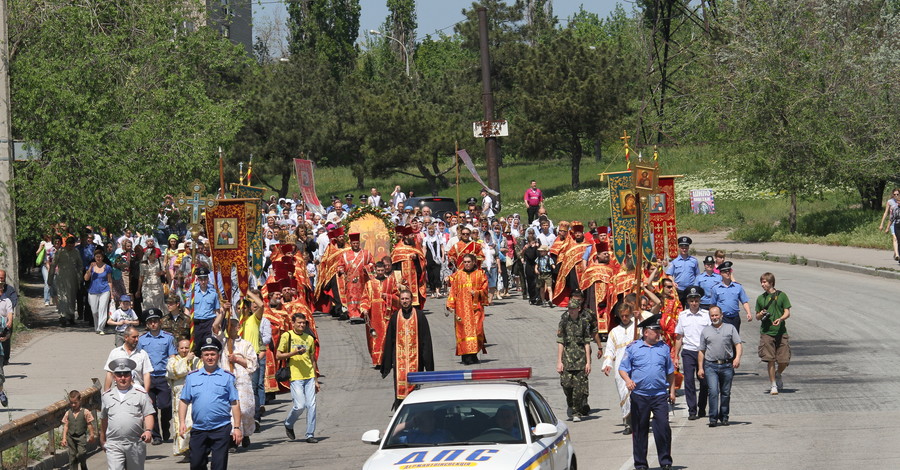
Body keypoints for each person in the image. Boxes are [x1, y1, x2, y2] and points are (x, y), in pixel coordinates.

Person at [619, 314, 676, 470]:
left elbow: (670, 372)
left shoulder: (664, 348)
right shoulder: (633, 348)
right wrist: (628, 381)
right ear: (646, 332)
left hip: (659, 395)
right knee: (639, 430)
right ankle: (641, 464)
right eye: (655, 330)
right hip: (640, 396)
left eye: (659, 330)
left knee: (663, 428)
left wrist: (672, 392)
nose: (658, 333)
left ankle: (665, 462)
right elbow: (623, 369)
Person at [178, 337, 242, 470]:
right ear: (201, 357)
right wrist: (182, 422)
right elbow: (184, 401)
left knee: (219, 465)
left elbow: (234, 403)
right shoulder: (192, 377)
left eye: (213, 354)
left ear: (218, 356)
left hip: (221, 428)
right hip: (199, 428)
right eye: (206, 355)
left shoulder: (227, 377)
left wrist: (236, 427)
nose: (210, 357)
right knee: (196, 464)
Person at [381, 290, 435, 410]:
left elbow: (426, 340)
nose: (405, 301)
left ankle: (416, 410)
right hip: (399, 361)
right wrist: (387, 364)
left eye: (407, 299)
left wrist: (429, 366)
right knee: (399, 386)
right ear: (399, 300)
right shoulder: (395, 317)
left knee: (415, 387)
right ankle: (400, 410)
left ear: (412, 300)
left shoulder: (420, 316)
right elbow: (389, 341)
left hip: (415, 359)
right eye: (403, 299)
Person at [100, 358, 156, 470]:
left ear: (131, 376)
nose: (123, 378)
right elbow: (104, 419)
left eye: (126, 375)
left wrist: (148, 430)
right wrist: (102, 439)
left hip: (134, 442)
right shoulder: (107, 396)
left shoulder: (140, 394)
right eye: (119, 375)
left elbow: (148, 414)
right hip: (114, 443)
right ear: (114, 377)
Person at [276, 314, 319, 443]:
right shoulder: (287, 336)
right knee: (300, 405)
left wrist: (316, 379)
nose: (301, 325)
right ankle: (289, 423)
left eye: (303, 323)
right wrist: (294, 353)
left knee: (312, 405)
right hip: (295, 376)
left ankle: (310, 434)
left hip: (309, 375)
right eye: (299, 323)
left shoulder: (309, 338)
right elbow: (278, 355)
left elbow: (312, 359)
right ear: (293, 323)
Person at [137, 309, 177, 445]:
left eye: (155, 321)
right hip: (148, 377)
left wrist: (174, 372)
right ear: (147, 324)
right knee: (151, 407)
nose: (153, 324)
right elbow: (139, 359)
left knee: (165, 406)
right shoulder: (142, 340)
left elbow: (172, 356)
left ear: (160, 322)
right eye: (150, 322)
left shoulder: (168, 337)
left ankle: (165, 425)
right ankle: (156, 435)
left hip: (163, 377)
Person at [217, 318, 258, 448]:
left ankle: (245, 433)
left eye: (232, 326)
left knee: (245, 410)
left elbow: (252, 364)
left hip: (242, 381)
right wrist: (223, 312)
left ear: (238, 327)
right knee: (230, 412)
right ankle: (232, 440)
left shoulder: (246, 344)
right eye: (228, 327)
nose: (230, 329)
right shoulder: (223, 343)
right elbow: (215, 328)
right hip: (227, 381)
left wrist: (237, 359)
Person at [698, 306, 742, 427]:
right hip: (710, 366)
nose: (714, 317)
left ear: (721, 315)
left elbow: (737, 344)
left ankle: (724, 416)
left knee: (725, 392)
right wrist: (700, 368)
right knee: (713, 391)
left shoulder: (730, 328)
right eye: (712, 315)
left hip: (727, 365)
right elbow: (701, 350)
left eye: (716, 315)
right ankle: (713, 418)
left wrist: (737, 358)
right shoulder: (706, 331)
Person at [673, 286, 711, 421]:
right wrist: (676, 355)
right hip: (688, 351)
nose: (694, 303)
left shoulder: (706, 315)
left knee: (705, 382)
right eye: (691, 300)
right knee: (689, 381)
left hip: (704, 352)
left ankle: (702, 407)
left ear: (700, 301)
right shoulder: (683, 316)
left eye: (696, 300)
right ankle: (692, 410)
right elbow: (679, 337)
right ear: (688, 301)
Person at [446, 254, 489, 365]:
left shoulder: (480, 274)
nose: (467, 264)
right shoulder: (458, 275)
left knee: (477, 330)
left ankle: (474, 354)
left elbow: (485, 289)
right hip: (462, 309)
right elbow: (453, 291)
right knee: (463, 332)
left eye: (469, 261)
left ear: (474, 262)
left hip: (475, 309)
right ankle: (465, 357)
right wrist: (450, 304)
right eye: (465, 262)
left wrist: (477, 292)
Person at [754, 272, 791, 395]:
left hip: (781, 331)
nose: (762, 284)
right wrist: (761, 314)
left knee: (784, 360)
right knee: (770, 359)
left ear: (771, 283)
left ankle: (778, 374)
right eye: (762, 282)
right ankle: (773, 384)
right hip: (766, 332)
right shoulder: (760, 298)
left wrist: (781, 319)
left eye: (764, 282)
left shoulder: (782, 296)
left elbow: (787, 312)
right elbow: (757, 317)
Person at [557, 297, 592, 422]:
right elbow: (561, 342)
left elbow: (587, 343)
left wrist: (588, 362)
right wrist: (559, 361)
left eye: (573, 308)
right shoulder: (564, 322)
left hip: (580, 360)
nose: (570, 311)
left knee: (579, 389)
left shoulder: (584, 323)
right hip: (567, 360)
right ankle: (570, 404)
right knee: (566, 385)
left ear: (578, 308)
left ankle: (576, 412)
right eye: (569, 308)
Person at [360, 262, 399, 368]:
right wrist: (364, 309)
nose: (380, 272)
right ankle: (378, 361)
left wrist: (388, 296)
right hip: (374, 315)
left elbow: (397, 296)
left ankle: (387, 360)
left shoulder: (391, 281)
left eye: (382, 270)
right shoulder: (369, 283)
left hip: (387, 314)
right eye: (378, 270)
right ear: (375, 271)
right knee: (375, 337)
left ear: (385, 270)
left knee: (387, 336)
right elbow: (365, 298)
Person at [166, 339, 200, 459]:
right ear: (177, 349)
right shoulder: (172, 360)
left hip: (193, 398)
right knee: (181, 424)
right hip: (179, 397)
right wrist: (186, 361)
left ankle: (193, 449)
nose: (184, 350)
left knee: (191, 423)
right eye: (182, 348)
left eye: (187, 348)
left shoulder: (197, 361)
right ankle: (186, 451)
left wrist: (190, 361)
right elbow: (173, 372)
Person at [552, 222, 590, 308]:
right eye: (576, 233)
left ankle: (584, 305)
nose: (577, 234)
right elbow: (566, 258)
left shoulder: (588, 244)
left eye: (579, 233)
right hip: (573, 270)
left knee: (586, 289)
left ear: (582, 233)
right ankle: (574, 305)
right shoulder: (571, 245)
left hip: (585, 271)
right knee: (574, 289)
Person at [104, 325, 153, 391]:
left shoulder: (142, 354)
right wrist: (106, 393)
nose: (137, 339)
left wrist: (145, 394)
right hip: (119, 391)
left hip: (138, 391)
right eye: (134, 337)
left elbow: (146, 374)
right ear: (126, 338)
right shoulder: (115, 353)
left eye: (137, 337)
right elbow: (109, 373)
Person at [709, 261, 753, 333]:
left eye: (729, 271)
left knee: (734, 340)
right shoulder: (716, 288)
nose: (727, 273)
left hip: (735, 317)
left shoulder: (738, 287)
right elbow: (713, 305)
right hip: (723, 318)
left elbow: (744, 301)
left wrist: (748, 313)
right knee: (723, 340)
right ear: (721, 273)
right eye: (725, 271)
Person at [50, 236, 84, 327]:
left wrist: (80, 276)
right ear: (66, 244)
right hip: (61, 277)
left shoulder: (76, 252)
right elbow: (53, 265)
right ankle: (63, 316)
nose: (70, 247)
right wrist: (50, 278)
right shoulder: (60, 252)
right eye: (69, 245)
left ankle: (71, 316)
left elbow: (80, 265)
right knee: (62, 297)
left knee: (71, 297)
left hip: (73, 278)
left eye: (72, 245)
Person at [392, 226, 428, 308]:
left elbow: (422, 262)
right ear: (406, 236)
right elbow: (395, 266)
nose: (413, 236)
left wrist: (416, 259)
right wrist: (398, 281)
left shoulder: (415, 247)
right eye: (411, 235)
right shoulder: (398, 249)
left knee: (415, 305)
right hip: (403, 280)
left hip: (415, 279)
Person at [341, 232, 373, 323]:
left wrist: (367, 267)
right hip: (350, 281)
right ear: (351, 244)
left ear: (359, 243)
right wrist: (340, 270)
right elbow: (340, 265)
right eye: (353, 243)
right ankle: (352, 315)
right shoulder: (345, 255)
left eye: (357, 243)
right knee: (351, 297)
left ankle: (362, 314)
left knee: (362, 297)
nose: (355, 245)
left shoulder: (366, 253)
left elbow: (372, 263)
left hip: (363, 280)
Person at [61, 389, 97, 470]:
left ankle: (83, 465)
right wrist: (64, 438)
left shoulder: (85, 412)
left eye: (75, 403)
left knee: (81, 454)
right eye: (71, 403)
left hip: (81, 437)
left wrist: (92, 434)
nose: (73, 405)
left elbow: (89, 424)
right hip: (71, 437)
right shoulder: (68, 413)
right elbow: (66, 426)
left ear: (80, 401)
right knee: (72, 456)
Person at [190, 267, 221, 354]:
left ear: (207, 279)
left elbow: (217, 311)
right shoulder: (193, 293)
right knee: (196, 346)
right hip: (196, 323)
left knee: (208, 345)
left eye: (205, 279)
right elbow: (187, 309)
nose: (203, 282)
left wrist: (217, 325)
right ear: (198, 280)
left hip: (208, 323)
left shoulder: (213, 294)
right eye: (200, 279)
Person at [665, 236, 700, 306]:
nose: (684, 249)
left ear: (688, 248)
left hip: (690, 289)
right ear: (679, 248)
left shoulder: (694, 261)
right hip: (679, 289)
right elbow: (669, 274)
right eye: (682, 248)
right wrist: (673, 282)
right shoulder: (674, 261)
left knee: (691, 308)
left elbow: (697, 275)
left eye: (686, 248)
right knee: (679, 308)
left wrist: (696, 286)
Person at [85, 249, 113, 334]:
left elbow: (110, 281)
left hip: (105, 290)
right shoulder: (91, 267)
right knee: (94, 311)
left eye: (100, 257)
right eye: (97, 257)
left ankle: (101, 328)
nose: (98, 258)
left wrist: (112, 293)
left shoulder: (107, 267)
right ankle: (97, 326)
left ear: (103, 257)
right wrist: (90, 268)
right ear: (94, 257)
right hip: (93, 290)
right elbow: (86, 278)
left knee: (102, 309)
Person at [879, 187, 900, 262]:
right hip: (893, 222)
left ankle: (896, 252)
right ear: (893, 195)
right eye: (895, 194)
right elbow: (886, 213)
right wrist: (882, 224)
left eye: (897, 194)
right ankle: (897, 255)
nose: (896, 196)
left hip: (899, 221)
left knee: (898, 239)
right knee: (895, 238)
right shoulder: (890, 202)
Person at [0, 298, 12, 406]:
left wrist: (5, 337)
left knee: (0, 375)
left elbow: (7, 332)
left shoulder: (1, 319)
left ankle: (0, 392)